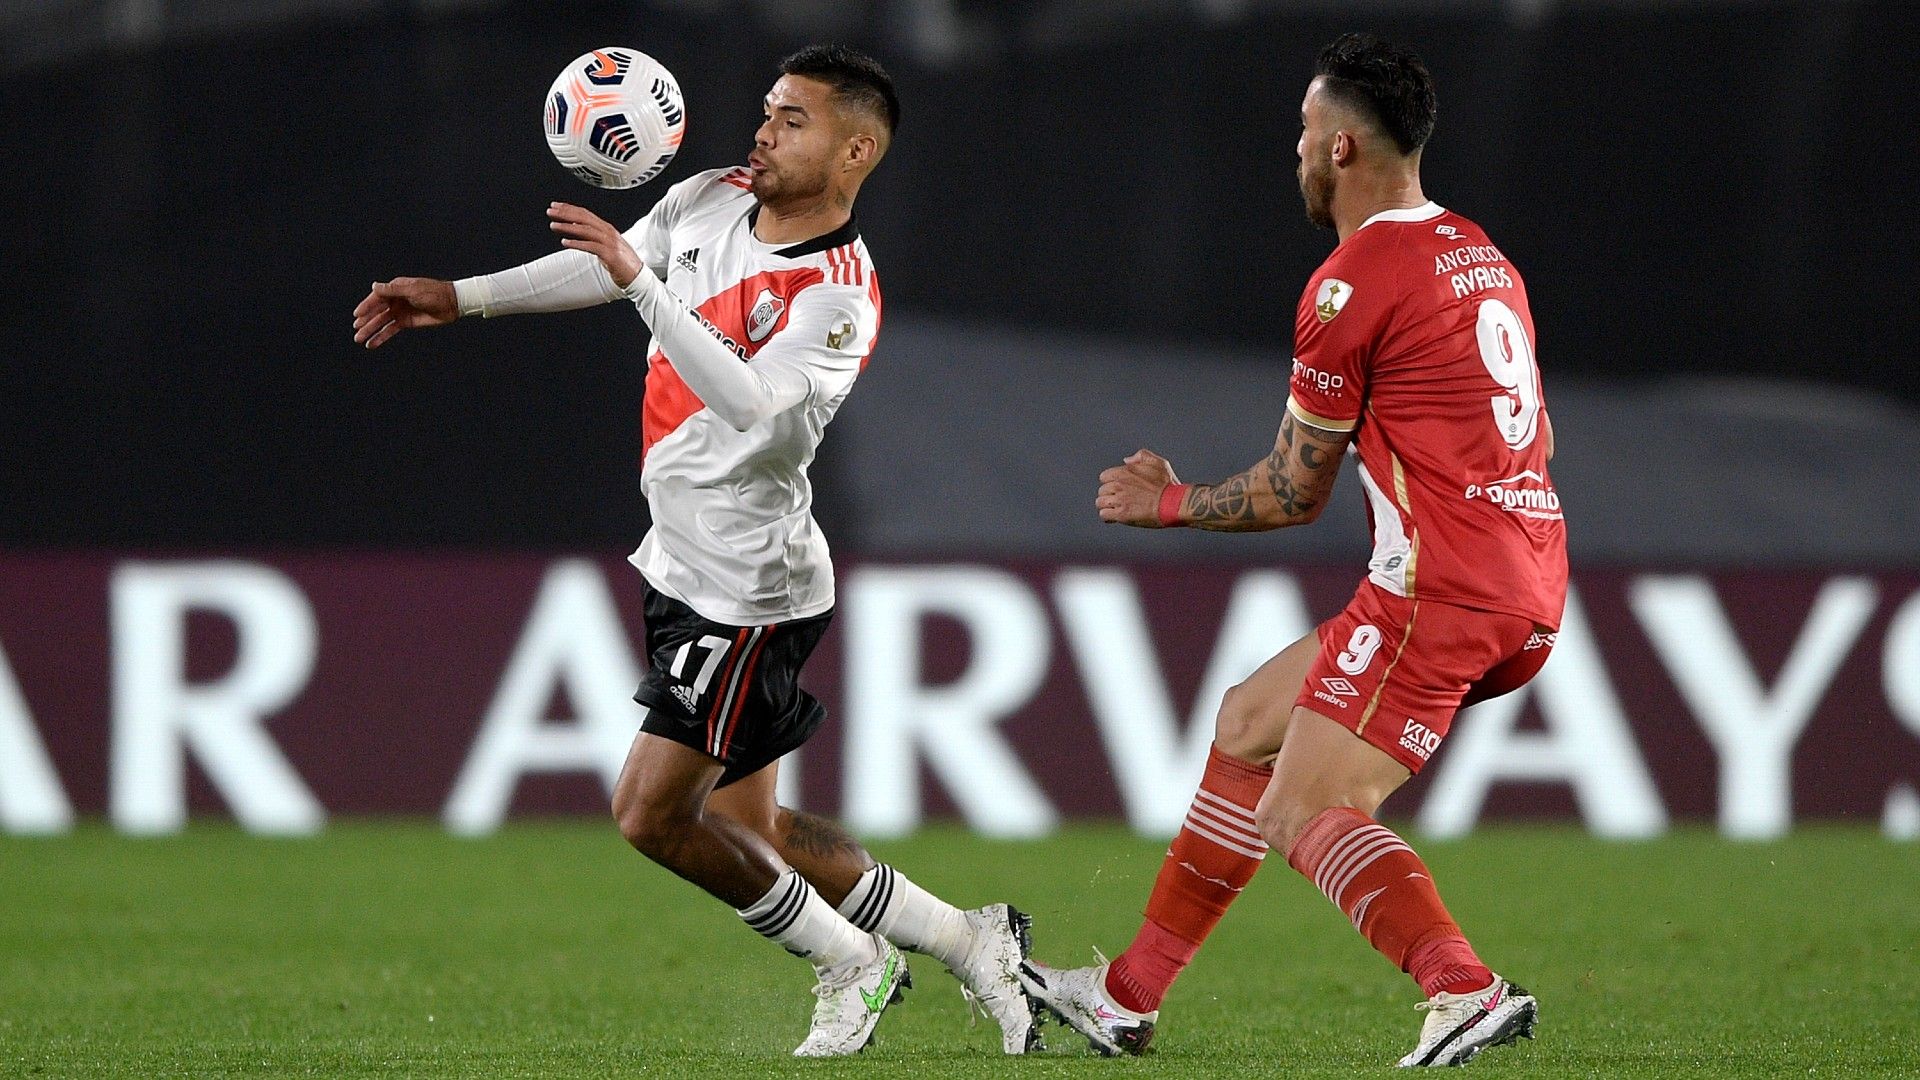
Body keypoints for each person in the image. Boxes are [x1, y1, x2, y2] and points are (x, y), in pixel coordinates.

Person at [351, 45, 1039, 1058]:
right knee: (756, 832)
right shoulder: (712, 197)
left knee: (651, 815)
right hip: (685, 563)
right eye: (767, 110)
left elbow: (751, 403)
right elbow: (609, 263)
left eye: (793, 120)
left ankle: (849, 961)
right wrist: (464, 296)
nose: (763, 131)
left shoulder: (839, 296)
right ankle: (971, 940)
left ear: (854, 152)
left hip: (746, 591)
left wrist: (642, 284)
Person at [1017, 33, 1566, 1068]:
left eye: (1306, 131)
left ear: (1343, 146)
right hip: (1525, 575)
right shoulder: (1480, 253)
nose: (1298, 151)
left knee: (1308, 806)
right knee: (1248, 723)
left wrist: (1167, 503)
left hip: (1438, 588)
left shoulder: (1349, 284)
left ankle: (1463, 987)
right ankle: (1128, 996)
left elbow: (1291, 491)